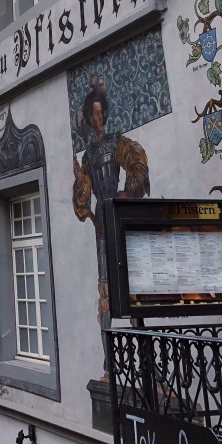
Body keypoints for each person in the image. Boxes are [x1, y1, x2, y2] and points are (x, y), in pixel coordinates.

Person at [72, 77, 149, 362]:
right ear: (88, 118)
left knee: (131, 284)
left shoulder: (116, 141)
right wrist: (81, 181)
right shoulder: (88, 154)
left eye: (101, 112)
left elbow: (136, 158)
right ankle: (108, 358)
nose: (99, 117)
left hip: (119, 213)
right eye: (94, 113)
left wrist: (129, 190)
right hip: (102, 221)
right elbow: (82, 204)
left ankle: (144, 352)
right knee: (105, 285)